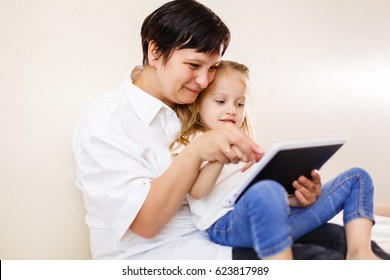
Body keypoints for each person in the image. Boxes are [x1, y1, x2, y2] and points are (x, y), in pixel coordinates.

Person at [73, 0, 358, 260]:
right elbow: (146, 224)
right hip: (160, 255)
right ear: (155, 51)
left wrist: (292, 196)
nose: (203, 79)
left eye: (212, 67)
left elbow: (227, 191)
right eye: (194, 65)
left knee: (340, 241)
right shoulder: (107, 121)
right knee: (322, 259)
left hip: (216, 233)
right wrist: (197, 151)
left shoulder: (198, 106)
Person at [171, 60, 382, 260]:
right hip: (227, 223)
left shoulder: (246, 143)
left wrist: (292, 198)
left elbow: (266, 195)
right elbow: (196, 193)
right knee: (266, 192)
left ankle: (360, 253)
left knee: (357, 177)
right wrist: (219, 155)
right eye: (220, 101)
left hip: (278, 218)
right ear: (198, 105)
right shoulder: (190, 141)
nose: (231, 110)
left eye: (240, 103)